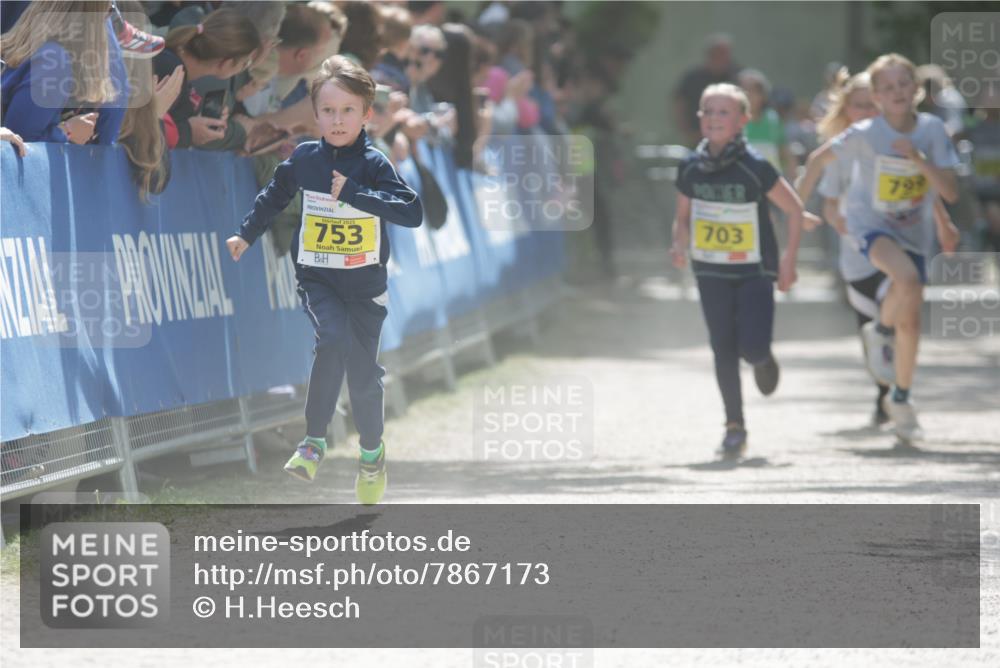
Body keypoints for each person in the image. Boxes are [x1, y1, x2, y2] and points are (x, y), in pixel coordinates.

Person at [226, 56, 423, 503]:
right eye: (328, 111)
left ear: (366, 114)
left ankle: (372, 455)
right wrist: (245, 234)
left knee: (363, 377)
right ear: (315, 115)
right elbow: (274, 194)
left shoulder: (374, 164)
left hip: (366, 284)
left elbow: (412, 211)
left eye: (347, 111)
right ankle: (313, 443)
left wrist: (355, 194)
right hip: (318, 277)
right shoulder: (305, 158)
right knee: (330, 339)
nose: (337, 120)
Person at [797, 54, 960, 442]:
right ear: (877, 97)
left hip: (913, 235)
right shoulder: (865, 133)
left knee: (914, 315)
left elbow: (950, 191)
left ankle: (901, 398)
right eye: (887, 88)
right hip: (870, 228)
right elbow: (818, 160)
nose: (897, 92)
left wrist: (919, 161)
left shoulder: (933, 130)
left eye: (903, 84)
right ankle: (882, 329)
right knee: (904, 278)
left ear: (917, 89)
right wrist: (795, 210)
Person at [670, 83, 818, 458]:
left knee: (751, 346)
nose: (714, 119)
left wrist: (788, 261)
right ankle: (734, 425)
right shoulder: (690, 167)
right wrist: (678, 242)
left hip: (754, 270)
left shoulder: (755, 167)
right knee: (722, 347)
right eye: (708, 111)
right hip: (710, 270)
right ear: (699, 118)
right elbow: (682, 217)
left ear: (742, 121)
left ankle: (762, 359)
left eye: (724, 112)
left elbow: (794, 210)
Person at [1, 0, 128, 145]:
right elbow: (17, 143)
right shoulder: (53, 61)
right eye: (109, 10)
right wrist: (68, 131)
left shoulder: (46, 50)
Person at [152, 8, 261, 149]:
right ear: (226, 63)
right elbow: (145, 132)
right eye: (245, 63)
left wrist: (197, 120)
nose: (245, 68)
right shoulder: (171, 79)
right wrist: (189, 132)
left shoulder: (171, 62)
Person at [673, 34, 739, 147]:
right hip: (697, 140)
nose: (720, 58)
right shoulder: (693, 78)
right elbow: (679, 104)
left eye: (724, 54)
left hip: (731, 142)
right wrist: (687, 132)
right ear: (708, 55)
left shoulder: (738, 77)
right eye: (716, 54)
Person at [738, 68, 795, 178]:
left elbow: (785, 152)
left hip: (771, 183)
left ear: (763, 95)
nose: (748, 94)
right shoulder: (733, 121)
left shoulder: (773, 119)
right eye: (744, 89)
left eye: (753, 90)